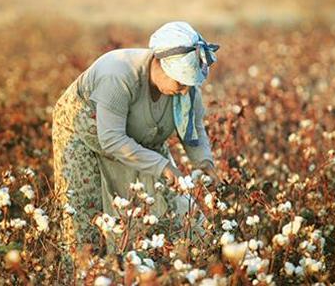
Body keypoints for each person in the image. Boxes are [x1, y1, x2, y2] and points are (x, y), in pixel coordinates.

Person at [52, 21, 221, 271]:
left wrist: (204, 163)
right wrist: (163, 165)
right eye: (180, 82)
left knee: (172, 204)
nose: (185, 90)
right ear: (159, 64)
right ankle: (86, 275)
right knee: (85, 217)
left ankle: (155, 267)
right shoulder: (118, 74)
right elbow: (111, 139)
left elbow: (193, 128)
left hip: (142, 139)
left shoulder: (186, 90)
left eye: (189, 83)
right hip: (86, 137)